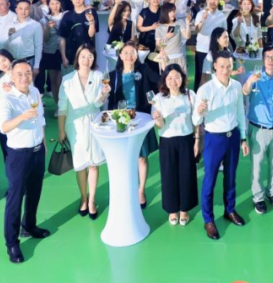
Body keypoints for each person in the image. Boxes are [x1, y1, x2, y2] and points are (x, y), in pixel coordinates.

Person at [0, 60, 50, 263]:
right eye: (19, 74)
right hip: (19, 155)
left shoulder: (35, 92)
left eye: (27, 73)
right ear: (12, 76)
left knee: (35, 191)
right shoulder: (7, 98)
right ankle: (12, 243)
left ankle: (29, 225)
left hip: (37, 151)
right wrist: (21, 117)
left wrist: (43, 142)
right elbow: (4, 127)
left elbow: (41, 119)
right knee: (15, 198)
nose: (24, 77)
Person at [191, 51, 248, 240]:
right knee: (210, 180)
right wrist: (200, 112)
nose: (225, 70)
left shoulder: (236, 86)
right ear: (214, 66)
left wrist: (243, 138)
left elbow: (240, 113)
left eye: (229, 66)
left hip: (233, 136)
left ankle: (229, 210)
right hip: (213, 138)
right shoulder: (205, 90)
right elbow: (196, 120)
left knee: (231, 177)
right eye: (222, 66)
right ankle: (208, 219)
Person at [57, 44, 110, 219]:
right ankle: (83, 197)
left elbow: (98, 104)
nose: (87, 60)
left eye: (90, 57)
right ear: (77, 58)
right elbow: (62, 108)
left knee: (93, 163)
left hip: (94, 122)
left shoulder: (98, 76)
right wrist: (61, 130)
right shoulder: (67, 80)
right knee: (80, 163)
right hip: (75, 125)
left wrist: (104, 95)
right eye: (83, 56)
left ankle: (92, 199)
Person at [108, 42, 158, 209]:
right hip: (121, 119)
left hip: (140, 118)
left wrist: (164, 63)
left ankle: (141, 189)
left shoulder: (143, 70)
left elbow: (159, 81)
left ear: (136, 56)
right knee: (123, 157)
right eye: (126, 52)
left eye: (132, 52)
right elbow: (109, 100)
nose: (129, 55)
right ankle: (126, 188)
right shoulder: (113, 75)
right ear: (120, 56)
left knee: (141, 157)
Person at [242, 46, 273, 214]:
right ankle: (258, 198)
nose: (270, 60)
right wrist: (250, 82)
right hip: (258, 129)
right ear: (263, 60)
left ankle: (272, 192)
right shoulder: (253, 76)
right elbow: (245, 91)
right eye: (267, 57)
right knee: (257, 167)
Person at [150, 65, 198, 226]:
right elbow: (160, 126)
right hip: (167, 141)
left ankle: (184, 209)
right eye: (169, 78)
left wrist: (197, 140)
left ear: (182, 78)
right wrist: (158, 119)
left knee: (187, 175)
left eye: (177, 77)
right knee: (169, 176)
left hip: (186, 139)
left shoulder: (190, 95)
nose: (173, 81)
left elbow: (196, 120)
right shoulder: (158, 98)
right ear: (164, 80)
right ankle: (172, 209)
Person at [191, 0, 228, 75]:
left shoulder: (222, 16)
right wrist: (202, 20)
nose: (213, 1)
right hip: (202, 49)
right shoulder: (200, 14)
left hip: (217, 51)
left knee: (217, 75)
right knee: (200, 76)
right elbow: (196, 31)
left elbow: (224, 33)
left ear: (219, 1)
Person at [58, 0, 97, 69]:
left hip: (87, 54)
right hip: (70, 54)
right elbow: (62, 38)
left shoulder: (91, 12)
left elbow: (91, 34)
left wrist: (92, 22)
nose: (78, 0)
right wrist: (63, 57)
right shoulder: (67, 16)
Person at [7, 0, 43, 72]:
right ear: (16, 10)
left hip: (28, 60)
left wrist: (36, 66)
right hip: (12, 60)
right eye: (20, 9)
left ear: (29, 10)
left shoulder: (35, 25)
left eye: (26, 9)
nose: (23, 11)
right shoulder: (11, 24)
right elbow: (8, 40)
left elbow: (38, 46)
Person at [155, 3, 190, 71]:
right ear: (165, 12)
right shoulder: (159, 28)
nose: (173, 13)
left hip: (179, 58)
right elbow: (158, 47)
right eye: (170, 11)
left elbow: (187, 36)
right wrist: (166, 37)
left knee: (181, 77)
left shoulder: (179, 23)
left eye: (174, 11)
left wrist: (187, 24)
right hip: (166, 59)